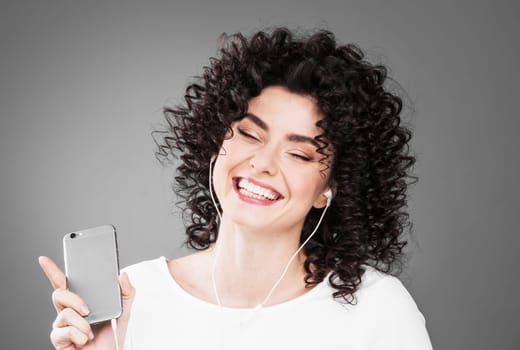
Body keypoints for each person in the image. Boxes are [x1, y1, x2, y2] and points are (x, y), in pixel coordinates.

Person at [39, 27, 433, 349]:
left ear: (330, 187)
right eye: (249, 134)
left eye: (299, 154)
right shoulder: (132, 297)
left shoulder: (377, 310)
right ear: (216, 141)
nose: (263, 163)